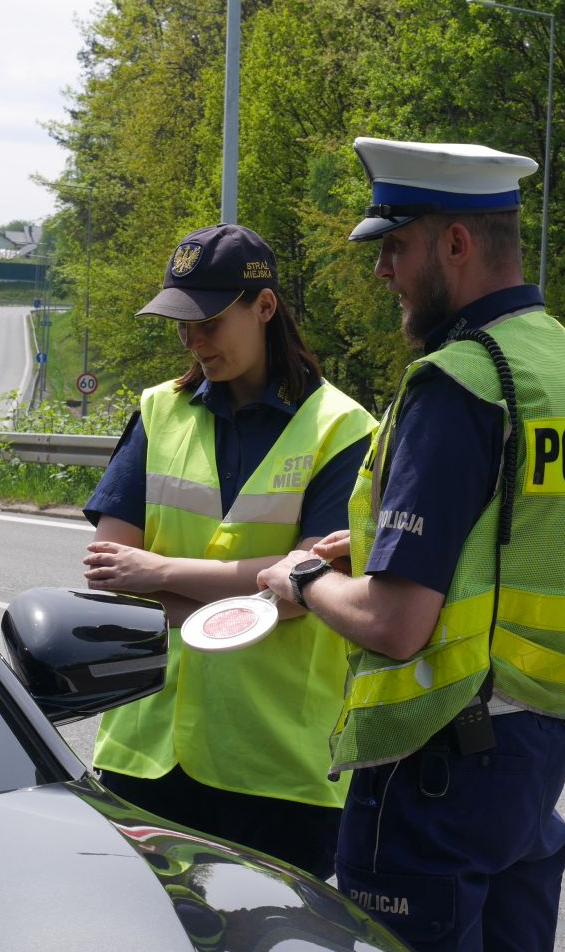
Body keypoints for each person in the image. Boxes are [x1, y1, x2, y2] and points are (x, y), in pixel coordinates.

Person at [257, 138, 565, 951]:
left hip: (439, 757)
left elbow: (398, 625)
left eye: (395, 247)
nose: (381, 271)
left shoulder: (460, 382)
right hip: (537, 752)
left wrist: (302, 577)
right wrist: (374, 546)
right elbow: (516, 539)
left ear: (456, 244)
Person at [81, 223, 375, 880]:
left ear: (264, 306)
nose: (194, 341)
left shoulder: (342, 428)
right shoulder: (159, 410)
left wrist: (159, 573)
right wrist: (252, 593)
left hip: (278, 768)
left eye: (209, 322)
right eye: (182, 326)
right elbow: (108, 571)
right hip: (145, 756)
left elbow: (307, 588)